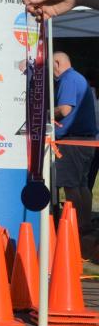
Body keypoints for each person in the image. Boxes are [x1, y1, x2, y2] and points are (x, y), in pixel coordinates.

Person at [52, 51, 97, 231]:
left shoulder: (68, 79)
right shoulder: (78, 78)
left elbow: (64, 110)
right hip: (85, 140)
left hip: (72, 140)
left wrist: (47, 112)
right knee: (82, 185)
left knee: (71, 186)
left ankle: (74, 228)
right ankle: (84, 225)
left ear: (57, 63)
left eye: (51, 67)